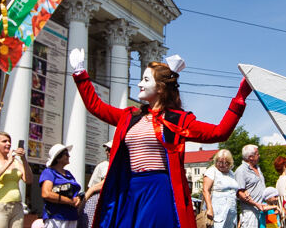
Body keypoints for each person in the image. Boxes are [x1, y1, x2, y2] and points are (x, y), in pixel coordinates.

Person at [68, 50, 251, 228]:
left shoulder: (178, 120)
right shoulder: (130, 116)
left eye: (146, 80)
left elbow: (220, 132)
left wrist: (240, 97)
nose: (140, 83)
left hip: (158, 190)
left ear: (160, 87)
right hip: (130, 189)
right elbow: (96, 107)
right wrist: (80, 74)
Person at [0, 131, 31, 228]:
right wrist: (8, 162)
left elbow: (29, 180)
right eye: (4, 141)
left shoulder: (17, 162)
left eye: (9, 141)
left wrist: (23, 160)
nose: (8, 144)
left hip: (17, 206)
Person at [39, 144, 82, 228]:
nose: (69, 156)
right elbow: (46, 193)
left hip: (71, 217)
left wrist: (78, 199)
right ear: (58, 158)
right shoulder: (49, 172)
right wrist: (70, 201)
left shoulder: (69, 174)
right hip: (56, 217)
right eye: (66, 154)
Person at [200, 149, 237, 228]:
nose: (221, 164)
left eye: (225, 163)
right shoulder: (212, 171)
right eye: (219, 161)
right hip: (217, 210)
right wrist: (209, 208)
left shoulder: (231, 173)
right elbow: (205, 190)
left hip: (231, 212)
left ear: (229, 163)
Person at [235, 145, 270, 228]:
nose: (259, 155)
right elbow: (240, 193)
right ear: (250, 157)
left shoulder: (257, 168)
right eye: (257, 154)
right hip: (250, 212)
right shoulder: (241, 171)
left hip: (263, 210)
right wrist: (255, 204)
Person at [82, 141, 112, 228]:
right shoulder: (102, 166)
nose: (107, 152)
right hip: (99, 201)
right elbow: (92, 186)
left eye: (110, 149)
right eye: (107, 149)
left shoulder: (124, 166)